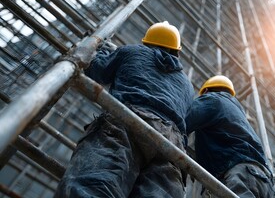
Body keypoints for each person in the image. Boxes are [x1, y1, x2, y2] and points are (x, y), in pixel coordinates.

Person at [55, 21, 194, 198]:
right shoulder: (188, 86)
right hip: (172, 144)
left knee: (94, 187)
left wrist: (102, 49)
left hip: (129, 120)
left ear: (147, 42)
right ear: (177, 51)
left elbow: (98, 71)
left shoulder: (132, 51)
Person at [186, 75, 275, 198]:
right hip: (265, 181)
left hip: (238, 175)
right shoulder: (239, 114)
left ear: (206, 91)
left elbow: (183, 119)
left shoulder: (212, 100)